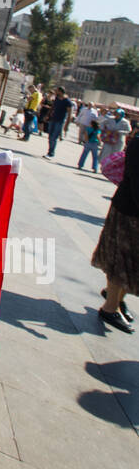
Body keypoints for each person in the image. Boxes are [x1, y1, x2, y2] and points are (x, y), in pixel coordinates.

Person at [92, 132, 139, 334]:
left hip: (132, 210)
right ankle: (110, 308)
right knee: (122, 260)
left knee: (131, 263)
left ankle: (116, 298)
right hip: (130, 211)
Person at [45, 87, 74, 158]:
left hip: (60, 121)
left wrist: (66, 125)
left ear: (60, 92)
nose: (55, 92)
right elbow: (53, 107)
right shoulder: (57, 99)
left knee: (53, 138)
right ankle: (49, 151)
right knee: (50, 137)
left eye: (57, 91)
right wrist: (48, 115)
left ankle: (51, 153)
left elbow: (70, 114)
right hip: (53, 119)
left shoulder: (67, 101)